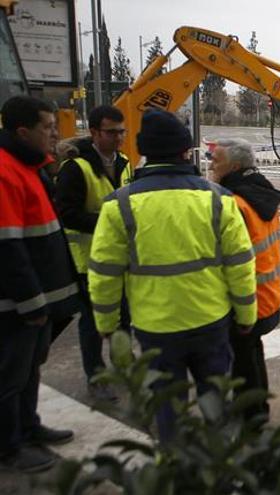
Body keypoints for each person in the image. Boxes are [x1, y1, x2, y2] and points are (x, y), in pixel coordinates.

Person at [88, 110, 257, 442]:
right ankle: (217, 468)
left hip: (156, 329)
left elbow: (104, 274)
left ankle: (176, 470)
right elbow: (240, 264)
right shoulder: (218, 200)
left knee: (168, 407)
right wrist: (246, 314)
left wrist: (107, 326)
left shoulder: (118, 205)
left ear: (145, 152)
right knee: (215, 402)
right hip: (211, 322)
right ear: (184, 152)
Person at [0, 96, 80, 473]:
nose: (55, 134)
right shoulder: (5, 171)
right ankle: (8, 448)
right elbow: (7, 247)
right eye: (48, 127)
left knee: (30, 369)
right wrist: (31, 301)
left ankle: (29, 427)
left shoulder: (30, 167)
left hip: (38, 300)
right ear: (22, 131)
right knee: (9, 377)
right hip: (16, 305)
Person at [54, 105, 131, 402]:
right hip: (88, 260)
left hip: (121, 258)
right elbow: (67, 214)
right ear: (95, 132)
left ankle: (124, 368)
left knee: (123, 317)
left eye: (121, 131)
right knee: (94, 322)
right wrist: (108, 222)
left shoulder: (125, 163)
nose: (118, 138)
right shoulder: (76, 168)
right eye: (112, 132)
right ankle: (96, 376)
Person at [209, 138, 280, 420]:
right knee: (251, 354)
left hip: (246, 297)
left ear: (235, 166)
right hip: (267, 293)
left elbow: (230, 256)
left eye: (217, 159)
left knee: (242, 361)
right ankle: (257, 408)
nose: (211, 163)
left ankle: (252, 417)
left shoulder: (234, 202)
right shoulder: (262, 195)